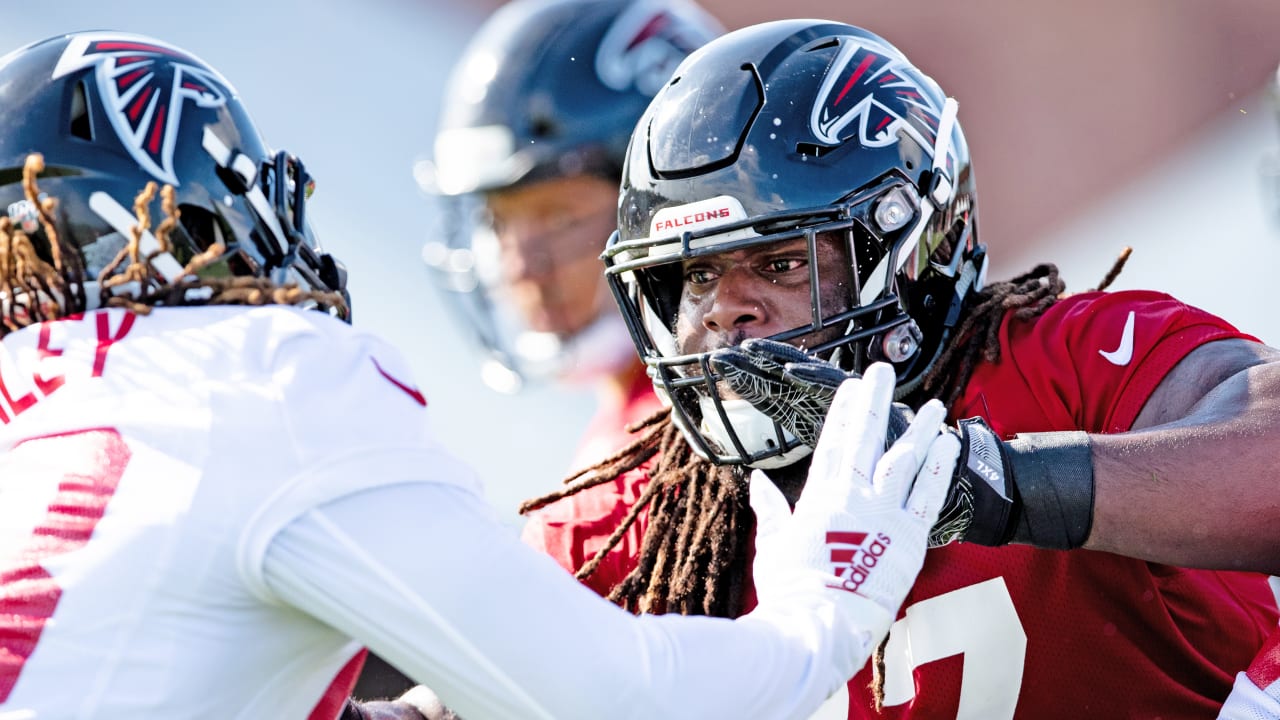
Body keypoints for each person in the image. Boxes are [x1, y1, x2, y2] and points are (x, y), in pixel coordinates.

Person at [0, 29, 963, 720]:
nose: (520, 261)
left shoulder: (35, 422)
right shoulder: (256, 379)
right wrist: (824, 606)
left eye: (555, 213)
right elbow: (619, 701)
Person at [520, 19, 1280, 718]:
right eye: (695, 278)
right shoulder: (658, 508)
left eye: (780, 262)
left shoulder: (1066, 362)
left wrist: (1003, 482)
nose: (725, 314)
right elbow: (474, 640)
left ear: (910, 247)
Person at [421, 0, 720, 466]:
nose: (521, 266)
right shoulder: (624, 422)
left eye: (560, 218)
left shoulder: (662, 449)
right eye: (499, 221)